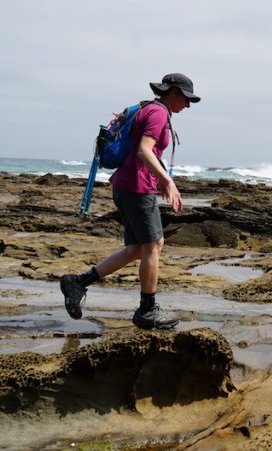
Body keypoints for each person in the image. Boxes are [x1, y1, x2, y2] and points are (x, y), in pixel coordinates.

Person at [60, 73, 200, 329]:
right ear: (174, 93)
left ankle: (77, 283)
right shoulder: (158, 113)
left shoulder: (149, 109)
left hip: (127, 185)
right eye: (186, 99)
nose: (187, 105)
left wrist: (161, 181)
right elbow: (144, 150)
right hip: (136, 188)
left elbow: (148, 153)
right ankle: (147, 311)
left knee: (137, 249)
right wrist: (166, 181)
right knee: (154, 245)